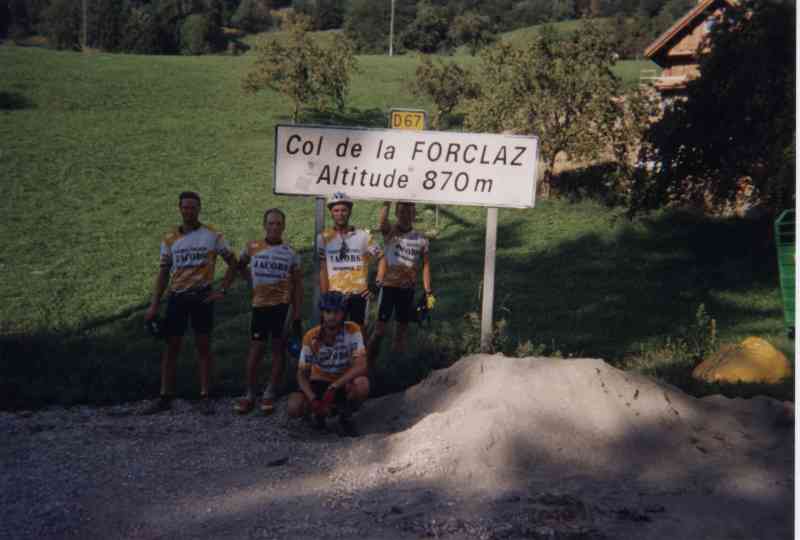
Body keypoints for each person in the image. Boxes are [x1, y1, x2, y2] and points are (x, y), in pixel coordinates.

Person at [142, 191, 237, 415]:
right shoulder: (169, 239)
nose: (189, 211)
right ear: (179, 209)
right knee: (171, 348)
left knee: (203, 347)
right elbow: (163, 273)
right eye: (185, 207)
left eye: (193, 207)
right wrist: (154, 304)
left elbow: (233, 262)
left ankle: (205, 395)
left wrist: (222, 290)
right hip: (177, 298)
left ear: (199, 209)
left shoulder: (213, 235)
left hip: (202, 297)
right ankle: (165, 396)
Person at [228, 208, 303, 415]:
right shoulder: (252, 247)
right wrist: (250, 280)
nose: (275, 227)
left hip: (281, 307)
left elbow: (298, 285)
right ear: (264, 226)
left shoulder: (291, 253)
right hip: (260, 307)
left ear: (284, 226)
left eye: (279, 223)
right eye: (271, 223)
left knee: (278, 350)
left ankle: (270, 392)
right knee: (256, 350)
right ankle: (249, 394)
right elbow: (239, 265)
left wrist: (297, 313)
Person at [287, 291, 369, 436]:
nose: (332, 316)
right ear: (322, 313)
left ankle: (346, 415)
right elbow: (301, 374)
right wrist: (312, 398)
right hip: (318, 380)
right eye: (328, 312)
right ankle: (316, 414)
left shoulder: (353, 330)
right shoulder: (310, 336)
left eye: (337, 312)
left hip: (342, 380)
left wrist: (334, 386)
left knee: (362, 384)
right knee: (294, 406)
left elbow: (361, 364)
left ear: (343, 313)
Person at [368, 201, 434, 366]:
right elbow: (382, 221)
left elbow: (426, 266)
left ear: (414, 215)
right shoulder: (390, 232)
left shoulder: (421, 239)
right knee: (379, 331)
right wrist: (386, 202)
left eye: (409, 212)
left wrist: (428, 291)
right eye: (402, 212)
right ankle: (367, 363)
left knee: (401, 333)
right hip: (389, 287)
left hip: (407, 289)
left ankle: (395, 367)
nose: (405, 215)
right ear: (397, 214)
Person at [318, 192, 381, 335]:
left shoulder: (364, 236)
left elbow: (382, 258)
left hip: (359, 294)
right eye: (336, 210)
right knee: (333, 336)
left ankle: (361, 358)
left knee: (359, 336)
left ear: (350, 211)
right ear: (331, 213)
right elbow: (323, 270)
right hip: (335, 296)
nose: (340, 214)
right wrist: (324, 297)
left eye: (344, 210)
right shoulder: (323, 238)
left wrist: (374, 284)